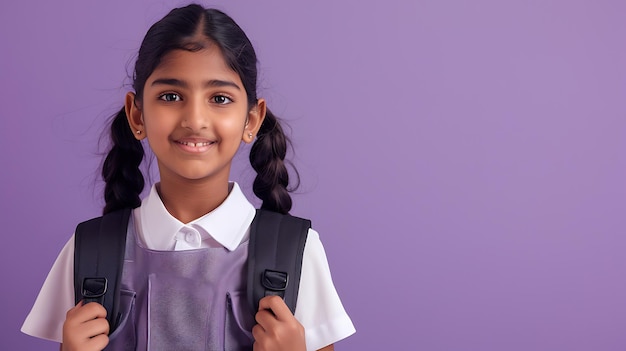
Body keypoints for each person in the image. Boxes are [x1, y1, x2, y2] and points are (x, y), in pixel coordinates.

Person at [21, 4, 355, 351]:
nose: (195, 119)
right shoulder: (88, 251)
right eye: (171, 96)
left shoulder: (298, 252)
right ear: (137, 115)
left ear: (252, 121)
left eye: (220, 98)